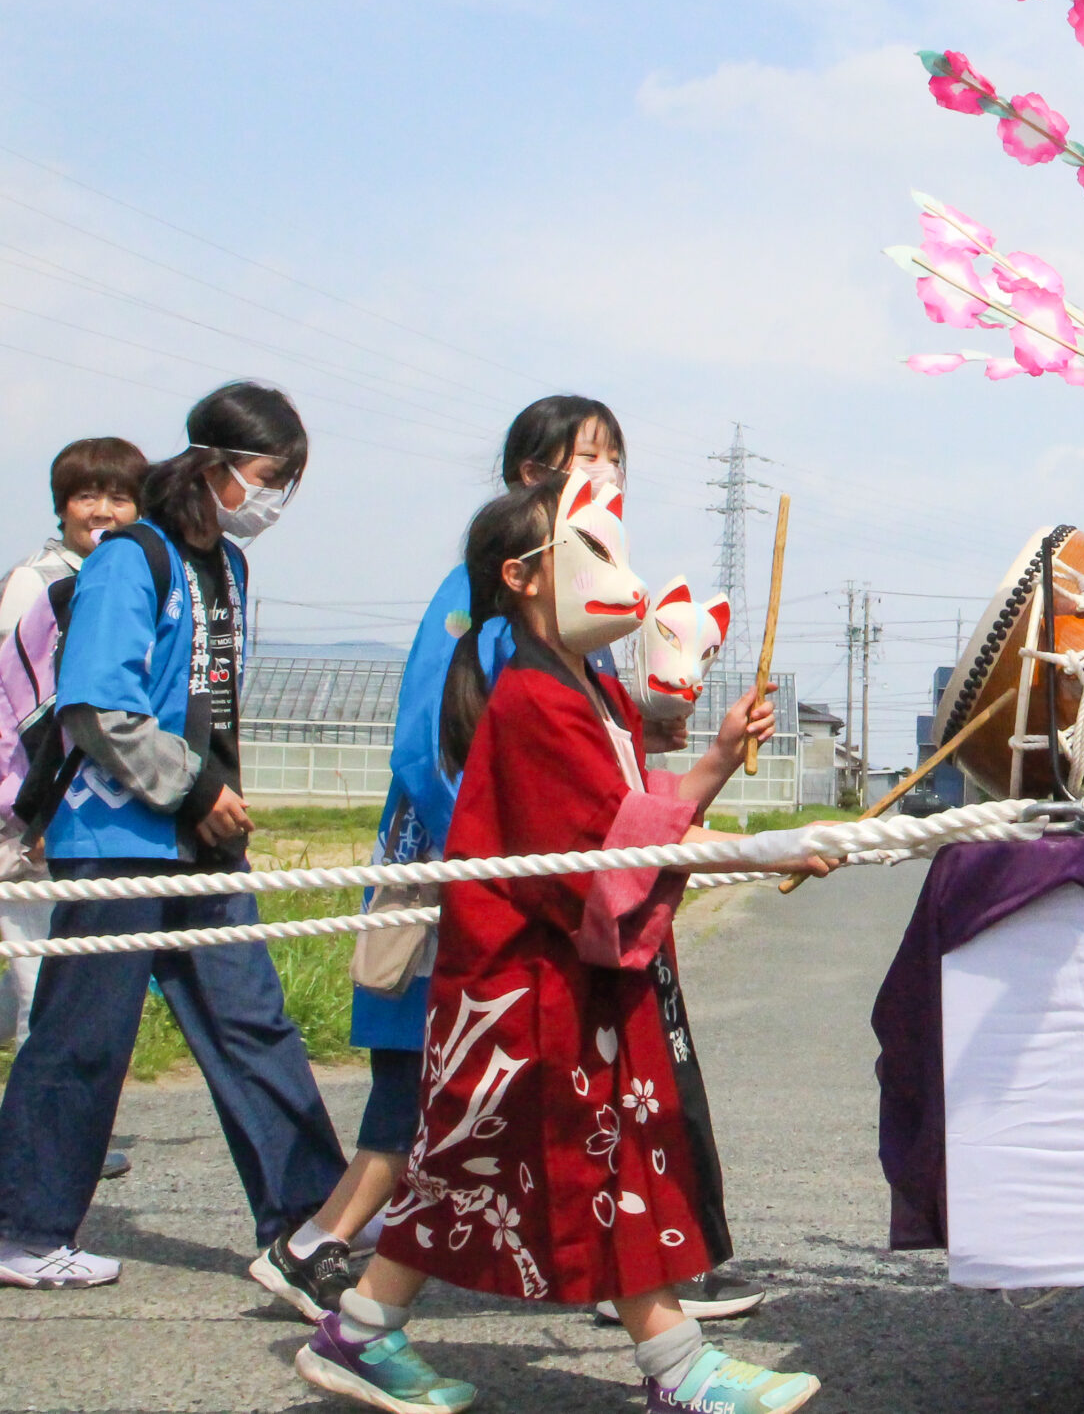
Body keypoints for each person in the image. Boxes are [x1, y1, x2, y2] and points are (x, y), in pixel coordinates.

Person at [295, 473, 830, 1414]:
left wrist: (716, 763)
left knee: (480, 1171)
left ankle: (362, 1328)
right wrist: (759, 849)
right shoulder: (533, 700)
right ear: (523, 576)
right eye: (593, 551)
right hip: (525, 990)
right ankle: (679, 1367)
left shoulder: (593, 689)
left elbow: (636, 819)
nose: (625, 576)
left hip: (558, 982)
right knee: (585, 1161)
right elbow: (604, 845)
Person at [251, 397, 767, 1330]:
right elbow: (455, 763)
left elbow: (610, 810)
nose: (606, 476)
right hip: (500, 914)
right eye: (586, 458)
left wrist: (697, 758)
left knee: (489, 1123)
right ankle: (334, 1265)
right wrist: (501, 860)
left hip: (553, 912)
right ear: (532, 479)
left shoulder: (576, 656)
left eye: (615, 460)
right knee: (454, 1113)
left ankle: (375, 1308)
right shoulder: (502, 630)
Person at [0, 383, 348, 1289]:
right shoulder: (133, 558)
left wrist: (216, 799)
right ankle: (11, 1232)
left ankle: (313, 1222)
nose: (276, 498)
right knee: (82, 1034)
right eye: (270, 476)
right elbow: (98, 703)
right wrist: (196, 787)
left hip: (200, 841)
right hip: (118, 833)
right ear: (214, 463)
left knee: (254, 1024)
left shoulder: (228, 566)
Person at [0, 439, 148, 1181]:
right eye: (85, 495)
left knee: (26, 982)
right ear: (61, 506)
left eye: (119, 497)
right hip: (26, 814)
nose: (102, 510)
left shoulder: (104, 577)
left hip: (69, 811)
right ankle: (51, 1153)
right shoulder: (33, 584)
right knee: (45, 984)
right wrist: (36, 814)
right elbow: (11, 714)